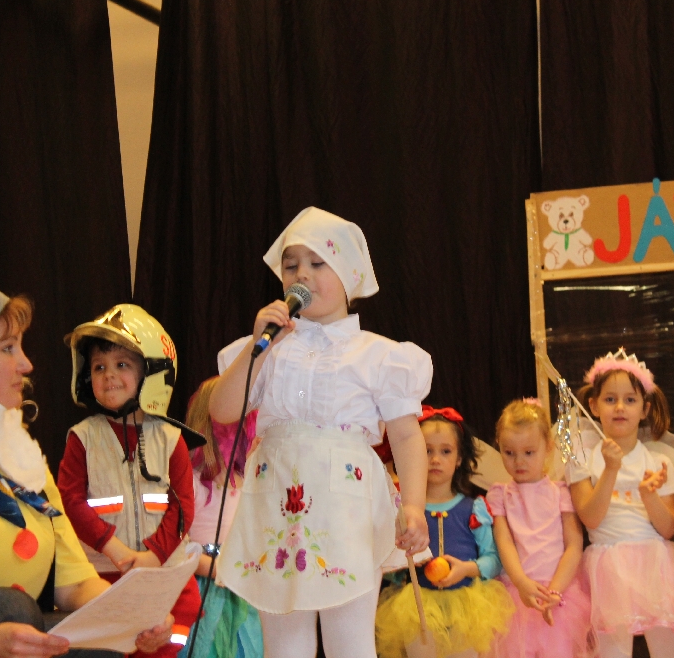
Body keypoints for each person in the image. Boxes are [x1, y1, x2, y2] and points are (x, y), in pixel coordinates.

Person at [209, 207, 431, 658]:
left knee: (350, 641)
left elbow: (407, 437)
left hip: (347, 509)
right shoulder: (270, 348)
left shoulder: (378, 354)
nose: (302, 275)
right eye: (291, 265)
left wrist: (413, 506)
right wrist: (257, 346)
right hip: (276, 506)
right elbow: (222, 409)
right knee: (284, 645)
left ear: (348, 275)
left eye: (317, 263)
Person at [0, 273, 172, 658]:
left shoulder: (17, 455)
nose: (26, 364)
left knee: (99, 645)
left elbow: (75, 585)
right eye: (7, 348)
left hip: (7, 637)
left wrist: (136, 616)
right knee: (11, 609)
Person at [57, 304, 202, 658]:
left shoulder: (171, 439)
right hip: (104, 577)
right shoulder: (82, 438)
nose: (108, 375)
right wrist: (117, 552)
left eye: (121, 365)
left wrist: (154, 556)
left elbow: (183, 506)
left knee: (166, 638)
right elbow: (70, 502)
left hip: (164, 576)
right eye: (99, 367)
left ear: (152, 371)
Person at [567, 348, 674, 658]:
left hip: (655, 566)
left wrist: (649, 496)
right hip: (606, 568)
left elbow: (669, 528)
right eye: (610, 399)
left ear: (645, 409)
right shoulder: (581, 460)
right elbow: (591, 518)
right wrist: (610, 470)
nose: (620, 407)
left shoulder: (659, 463)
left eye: (630, 400)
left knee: (668, 650)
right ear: (594, 406)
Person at [375, 406, 513, 658]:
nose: (435, 459)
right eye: (426, 451)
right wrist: (401, 565)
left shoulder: (474, 509)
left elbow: (494, 560)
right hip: (415, 608)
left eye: (445, 451)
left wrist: (467, 569)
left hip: (468, 608)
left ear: (459, 458)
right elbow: (390, 566)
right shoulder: (404, 512)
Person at [487, 399, 591, 658]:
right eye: (509, 453)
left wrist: (555, 590)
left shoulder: (560, 492)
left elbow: (574, 545)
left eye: (529, 452)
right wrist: (521, 583)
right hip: (517, 594)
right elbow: (504, 543)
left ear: (548, 447)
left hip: (559, 592)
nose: (519, 461)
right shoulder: (500, 495)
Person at [178, 377, 264, 658]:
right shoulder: (189, 481)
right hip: (206, 588)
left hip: (244, 589)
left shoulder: (248, 480)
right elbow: (178, 548)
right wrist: (219, 570)